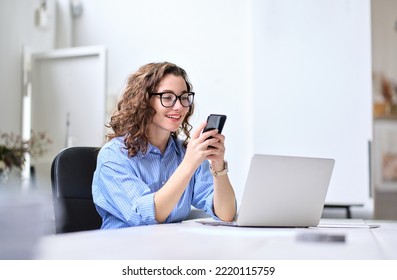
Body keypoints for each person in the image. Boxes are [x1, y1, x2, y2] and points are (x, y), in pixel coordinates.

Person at [92, 62, 236, 229]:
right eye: (167, 97)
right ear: (144, 101)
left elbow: (226, 214)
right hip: (125, 250)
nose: (179, 106)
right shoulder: (113, 156)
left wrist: (218, 166)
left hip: (170, 248)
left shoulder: (184, 153)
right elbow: (147, 217)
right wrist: (189, 164)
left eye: (183, 97)